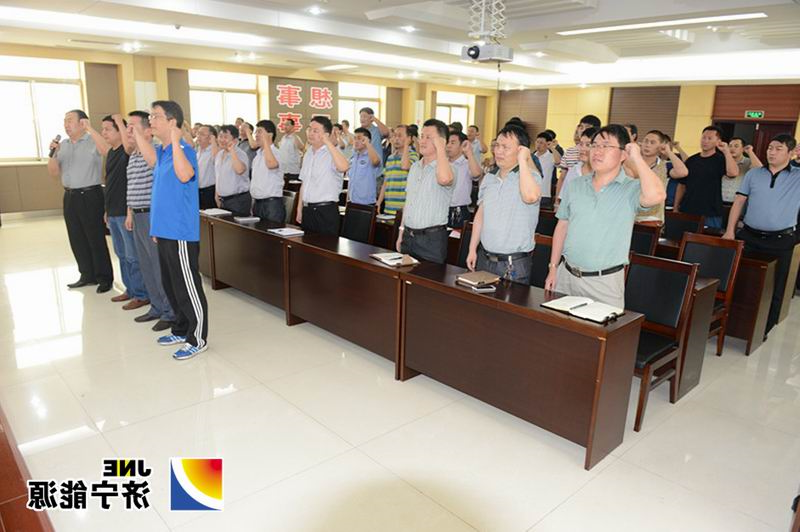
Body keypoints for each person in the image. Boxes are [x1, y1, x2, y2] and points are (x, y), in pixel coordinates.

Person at [545, 125, 667, 308]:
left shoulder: (631, 188)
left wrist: (637, 157)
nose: (597, 151)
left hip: (604, 283)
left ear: (623, 154)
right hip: (566, 276)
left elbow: (657, 195)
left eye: (606, 146)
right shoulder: (576, 185)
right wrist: (553, 268)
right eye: (594, 145)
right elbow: (562, 226)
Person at [133, 100, 207, 360]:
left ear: (172, 122)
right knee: (172, 285)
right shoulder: (163, 152)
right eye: (151, 116)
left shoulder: (183, 149)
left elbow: (185, 175)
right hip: (164, 230)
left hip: (181, 231)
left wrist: (177, 140)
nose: (151, 120)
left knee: (187, 286)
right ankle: (181, 329)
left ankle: (197, 338)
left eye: (156, 116)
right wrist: (136, 133)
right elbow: (152, 164)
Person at [723, 134, 800, 339]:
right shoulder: (754, 174)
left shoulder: (797, 176)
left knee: (775, 286)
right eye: (770, 148)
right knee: (741, 281)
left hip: (781, 240)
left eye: (778, 149)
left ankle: (765, 328)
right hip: (750, 236)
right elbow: (739, 202)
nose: (771, 152)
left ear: (791, 153)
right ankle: (735, 324)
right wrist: (730, 230)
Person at [47, 110, 114, 292]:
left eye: (70, 120)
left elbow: (106, 151)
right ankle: (87, 275)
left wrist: (90, 129)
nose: (66, 125)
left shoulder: (93, 140)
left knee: (95, 237)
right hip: (70, 196)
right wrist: (53, 154)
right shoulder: (63, 145)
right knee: (76, 237)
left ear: (82, 122)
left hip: (90, 195)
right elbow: (53, 172)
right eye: (64, 121)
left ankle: (104, 277)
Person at [465, 124, 541, 284]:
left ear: (521, 150)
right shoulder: (489, 178)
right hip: (485, 258)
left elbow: (531, 197)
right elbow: (480, 215)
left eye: (505, 147)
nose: (498, 151)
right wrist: (472, 249)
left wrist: (523, 160)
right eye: (497, 145)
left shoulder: (530, 177)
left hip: (513, 264)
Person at [90, 114, 149, 310]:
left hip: (126, 212)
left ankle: (141, 294)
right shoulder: (112, 153)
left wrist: (120, 122)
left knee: (133, 256)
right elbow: (110, 184)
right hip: (114, 211)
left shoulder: (126, 152)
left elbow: (128, 145)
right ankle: (130, 289)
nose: (104, 133)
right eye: (103, 129)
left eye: (108, 129)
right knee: (122, 254)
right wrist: (107, 210)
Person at [123, 111, 175, 332]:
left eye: (133, 127)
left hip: (152, 215)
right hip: (137, 215)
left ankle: (170, 312)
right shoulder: (134, 155)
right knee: (146, 265)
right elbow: (131, 186)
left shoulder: (153, 151)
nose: (128, 131)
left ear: (147, 131)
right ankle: (156, 307)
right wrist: (129, 212)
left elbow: (158, 176)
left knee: (158, 266)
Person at [395, 119, 455, 263]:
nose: (422, 141)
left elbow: (444, 179)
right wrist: (401, 232)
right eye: (422, 136)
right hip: (409, 236)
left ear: (441, 141)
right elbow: (408, 202)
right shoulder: (415, 167)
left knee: (427, 277)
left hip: (431, 240)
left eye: (429, 137)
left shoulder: (450, 169)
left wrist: (441, 148)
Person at [672, 126, 739, 228]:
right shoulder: (691, 160)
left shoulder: (720, 159)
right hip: (687, 209)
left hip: (711, 212)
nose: (705, 141)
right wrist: (675, 207)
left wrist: (726, 151)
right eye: (704, 137)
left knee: (708, 237)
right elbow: (682, 185)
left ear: (718, 141)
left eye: (710, 138)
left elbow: (733, 173)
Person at [295, 116, 350, 235]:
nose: (310, 133)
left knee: (326, 246)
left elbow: (344, 167)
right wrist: (299, 208)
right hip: (308, 210)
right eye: (309, 129)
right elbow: (304, 183)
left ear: (326, 134)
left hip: (326, 211)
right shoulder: (308, 153)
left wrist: (328, 142)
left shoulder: (333, 152)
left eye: (315, 131)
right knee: (306, 245)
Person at [624, 129, 689, 225]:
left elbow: (683, 172)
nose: (647, 145)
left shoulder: (665, 165)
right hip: (629, 215)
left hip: (652, 218)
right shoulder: (631, 163)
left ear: (661, 146)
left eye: (652, 142)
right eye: (646, 141)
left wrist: (669, 152)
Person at [377, 124, 419, 215]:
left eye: (400, 136)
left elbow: (405, 166)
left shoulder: (413, 156)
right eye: (395, 135)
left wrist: (406, 145)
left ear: (409, 138)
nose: (396, 139)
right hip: (388, 208)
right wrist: (379, 202)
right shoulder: (390, 158)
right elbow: (385, 183)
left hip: (403, 209)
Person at [251, 119, 286, 223]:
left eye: (260, 132)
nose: (256, 135)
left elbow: (271, 164)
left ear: (270, 135)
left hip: (272, 205)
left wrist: (266, 142)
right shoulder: (257, 155)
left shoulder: (276, 152)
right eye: (256, 132)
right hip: (257, 204)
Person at [445, 129, 482, 228]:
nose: (448, 146)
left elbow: (476, 174)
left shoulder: (467, 163)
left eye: (453, 143)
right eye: (447, 142)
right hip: (441, 208)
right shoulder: (442, 163)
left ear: (462, 146)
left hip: (459, 211)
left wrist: (469, 153)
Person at [214, 124, 251, 217]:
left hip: (238, 200)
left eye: (225, 137)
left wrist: (232, 151)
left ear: (235, 140)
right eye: (220, 136)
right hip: (223, 200)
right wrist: (217, 194)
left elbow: (239, 170)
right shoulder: (219, 154)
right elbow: (218, 176)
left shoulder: (240, 154)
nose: (222, 140)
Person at [556, 127, 597, 204]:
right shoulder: (574, 170)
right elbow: (564, 200)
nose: (582, 149)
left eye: (588, 145)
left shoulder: (604, 173)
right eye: (581, 144)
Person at [558, 114, 602, 183]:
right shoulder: (570, 152)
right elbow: (562, 178)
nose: (583, 130)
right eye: (581, 127)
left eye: (588, 145)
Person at [347, 127, 382, 206]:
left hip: (367, 203)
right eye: (355, 138)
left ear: (367, 140)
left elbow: (375, 161)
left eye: (359, 138)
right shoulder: (353, 157)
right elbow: (351, 181)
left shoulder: (372, 156)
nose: (356, 141)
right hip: (352, 201)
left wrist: (368, 144)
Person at [722, 137, 763, 203]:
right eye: (730, 146)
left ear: (743, 149)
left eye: (736, 146)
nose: (732, 149)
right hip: (720, 201)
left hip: (738, 203)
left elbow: (760, 171)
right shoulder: (722, 161)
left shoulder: (749, 162)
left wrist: (750, 152)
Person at [533, 131, 562, 206]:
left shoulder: (551, 157)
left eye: (541, 143)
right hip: (530, 193)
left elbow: (559, 162)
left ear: (548, 144)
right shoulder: (531, 156)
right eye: (537, 142)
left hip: (544, 194)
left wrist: (552, 148)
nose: (538, 144)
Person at [196, 125, 219, 210]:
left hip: (210, 192)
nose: (198, 136)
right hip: (197, 191)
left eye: (202, 134)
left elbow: (216, 161)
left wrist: (213, 142)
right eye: (198, 133)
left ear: (211, 138)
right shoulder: (198, 152)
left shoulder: (214, 151)